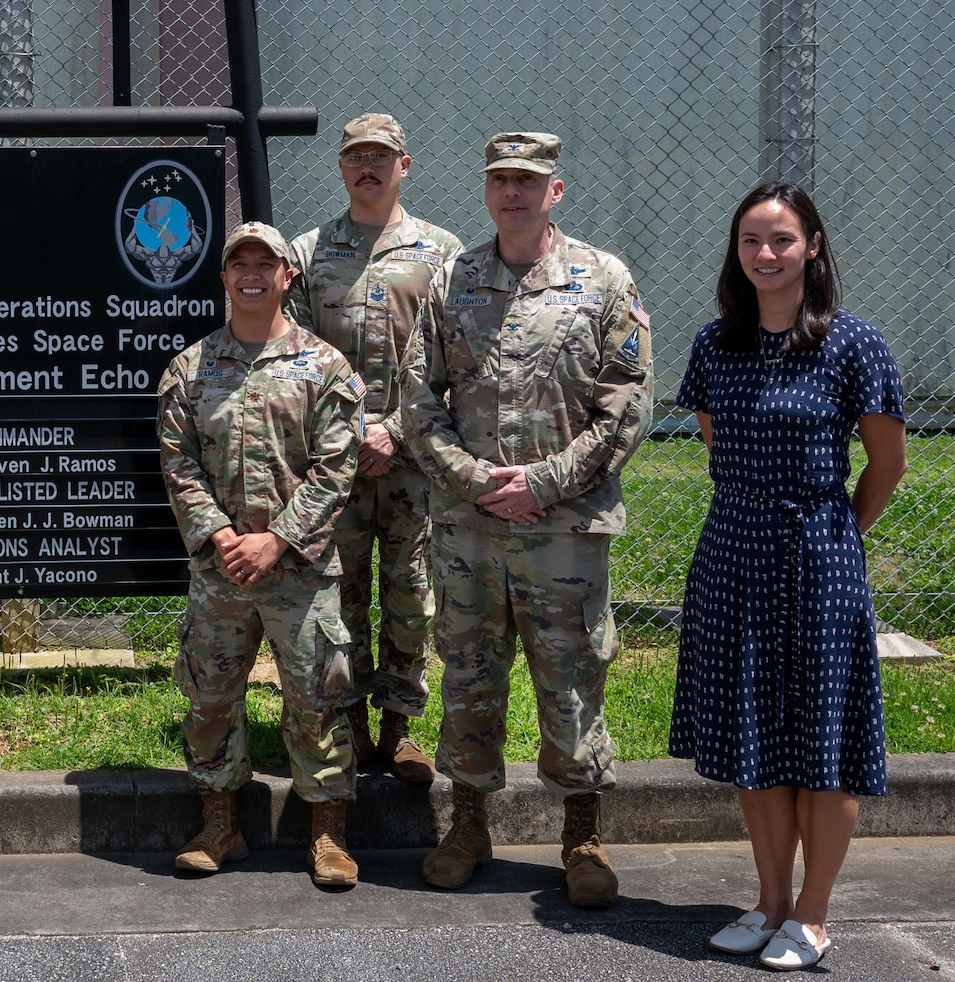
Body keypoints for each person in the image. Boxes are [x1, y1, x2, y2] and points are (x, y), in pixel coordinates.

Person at [401, 132, 652, 907]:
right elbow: (416, 399)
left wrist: (541, 483)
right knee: (470, 674)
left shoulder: (603, 279)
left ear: (556, 191)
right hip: (471, 527)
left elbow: (628, 404)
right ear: (487, 190)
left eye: (528, 181)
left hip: (562, 531)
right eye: (500, 180)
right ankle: (469, 825)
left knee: (572, 679)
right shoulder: (455, 278)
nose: (512, 192)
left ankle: (581, 834)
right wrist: (474, 480)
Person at [671, 182, 905, 971]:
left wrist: (836, 536)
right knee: (752, 735)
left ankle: (811, 913)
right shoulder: (715, 344)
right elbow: (716, 444)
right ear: (735, 252)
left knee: (824, 739)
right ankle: (768, 901)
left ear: (812, 246)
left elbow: (887, 462)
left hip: (820, 556)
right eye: (750, 241)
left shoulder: (853, 344)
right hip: (732, 550)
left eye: (780, 240)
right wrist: (762, 517)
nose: (765, 255)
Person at [159, 221, 364, 887]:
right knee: (210, 694)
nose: (252, 273)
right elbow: (179, 464)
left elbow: (337, 469)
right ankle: (219, 823)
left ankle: (327, 831)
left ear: (287, 277)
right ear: (223, 277)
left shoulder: (325, 367)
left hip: (299, 569)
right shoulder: (189, 369)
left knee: (316, 696)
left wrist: (275, 539)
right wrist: (222, 535)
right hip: (221, 571)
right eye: (239, 263)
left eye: (265, 264)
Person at [285, 113, 461, 786]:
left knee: (412, 594)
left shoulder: (441, 252)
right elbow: (292, 349)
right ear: (340, 168)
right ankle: (351, 723)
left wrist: (397, 428)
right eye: (356, 156)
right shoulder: (307, 253)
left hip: (414, 456)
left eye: (380, 157)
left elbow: (454, 356)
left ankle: (402, 727)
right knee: (342, 593)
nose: (368, 166)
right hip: (336, 461)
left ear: (404, 165)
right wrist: (354, 431)